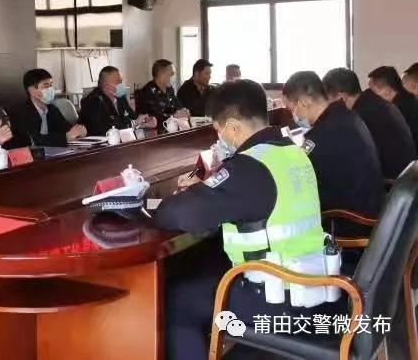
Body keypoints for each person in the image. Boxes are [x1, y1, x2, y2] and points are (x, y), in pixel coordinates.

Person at [156, 79, 344, 360]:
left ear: (233, 127)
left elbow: (178, 214)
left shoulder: (249, 166)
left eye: (218, 130)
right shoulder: (291, 152)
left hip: (278, 298)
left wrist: (193, 193)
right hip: (314, 284)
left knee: (175, 302)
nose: (219, 137)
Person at [282, 71, 383, 221]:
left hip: (349, 220)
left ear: (303, 103)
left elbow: (298, 175)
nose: (293, 115)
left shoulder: (322, 134)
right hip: (368, 207)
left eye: (291, 109)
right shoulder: (345, 115)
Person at [323, 67, 416, 180]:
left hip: (391, 181)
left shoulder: (362, 116)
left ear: (342, 98)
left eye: (328, 101)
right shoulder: (371, 101)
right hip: (406, 177)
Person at [5, 68, 87, 147]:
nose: (50, 89)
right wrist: (66, 137)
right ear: (31, 90)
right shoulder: (19, 112)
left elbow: (66, 128)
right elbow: (33, 140)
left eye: (51, 85)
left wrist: (79, 131)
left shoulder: (52, 109)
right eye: (46, 86)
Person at [79, 66, 153, 136]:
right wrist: (134, 123)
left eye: (121, 81)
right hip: (100, 143)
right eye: (118, 82)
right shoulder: (93, 101)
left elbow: (132, 116)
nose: (122, 85)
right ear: (106, 87)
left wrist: (145, 121)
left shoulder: (120, 97)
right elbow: (107, 127)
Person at [369, 66, 418, 152]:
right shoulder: (407, 100)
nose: (369, 95)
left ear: (387, 90)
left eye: (372, 91)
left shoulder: (397, 110)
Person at [135, 59, 188, 127]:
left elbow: (177, 105)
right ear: (161, 74)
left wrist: (184, 111)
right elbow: (153, 116)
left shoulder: (169, 89)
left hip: (172, 127)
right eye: (171, 74)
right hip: (154, 130)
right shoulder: (147, 92)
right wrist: (174, 116)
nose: (173, 77)